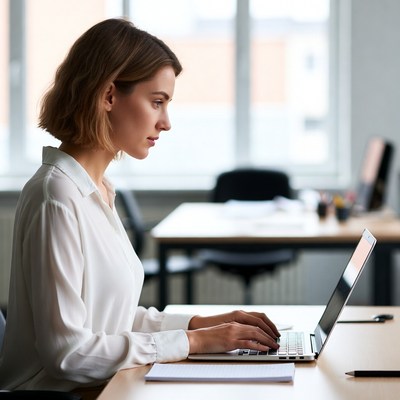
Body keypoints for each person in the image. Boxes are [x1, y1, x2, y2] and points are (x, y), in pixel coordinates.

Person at [0, 18, 279, 394]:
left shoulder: (96, 190)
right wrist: (194, 342)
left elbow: (108, 322)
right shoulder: (57, 197)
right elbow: (67, 354)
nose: (165, 123)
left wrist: (201, 324)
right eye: (157, 102)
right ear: (109, 96)